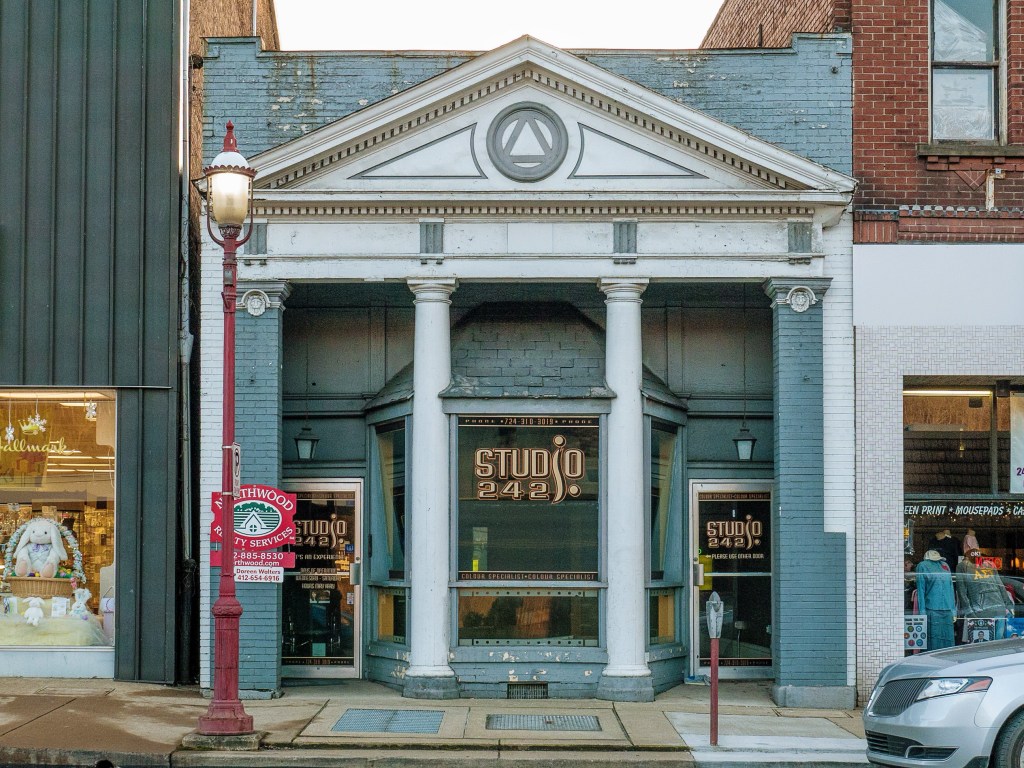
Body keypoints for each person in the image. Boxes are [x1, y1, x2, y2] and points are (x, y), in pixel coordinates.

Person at [956, 548, 1013, 641]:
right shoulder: (962, 566)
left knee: (994, 645)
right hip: (984, 611)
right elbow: (962, 592)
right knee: (988, 645)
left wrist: (1009, 605)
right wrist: (970, 613)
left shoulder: (988, 564)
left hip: (995, 610)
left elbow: (1000, 586)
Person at [916, 550, 956, 650]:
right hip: (932, 609)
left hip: (947, 609)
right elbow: (921, 590)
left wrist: (953, 611)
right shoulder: (923, 566)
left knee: (948, 640)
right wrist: (922, 613)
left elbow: (950, 587)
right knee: (933, 641)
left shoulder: (945, 565)